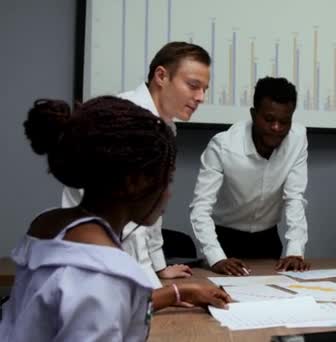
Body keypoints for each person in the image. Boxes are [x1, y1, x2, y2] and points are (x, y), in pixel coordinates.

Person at [0, 97, 229, 341]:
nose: (169, 192)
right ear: (134, 182)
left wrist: (177, 293)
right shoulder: (106, 274)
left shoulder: (47, 225)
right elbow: (98, 295)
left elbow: (75, 304)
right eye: (167, 179)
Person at [62, 41, 211, 288]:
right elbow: (129, 217)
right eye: (193, 86)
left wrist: (159, 265)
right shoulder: (126, 119)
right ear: (161, 76)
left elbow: (149, 207)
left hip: (114, 256)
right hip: (94, 257)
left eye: (204, 89)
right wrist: (150, 281)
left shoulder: (165, 125)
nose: (200, 97)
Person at [190, 77, 310, 275]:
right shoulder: (223, 146)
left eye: (284, 121)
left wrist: (295, 250)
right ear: (254, 115)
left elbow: (294, 198)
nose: (277, 128)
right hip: (226, 240)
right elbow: (200, 208)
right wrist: (216, 257)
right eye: (269, 120)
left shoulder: (297, 139)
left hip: (268, 240)